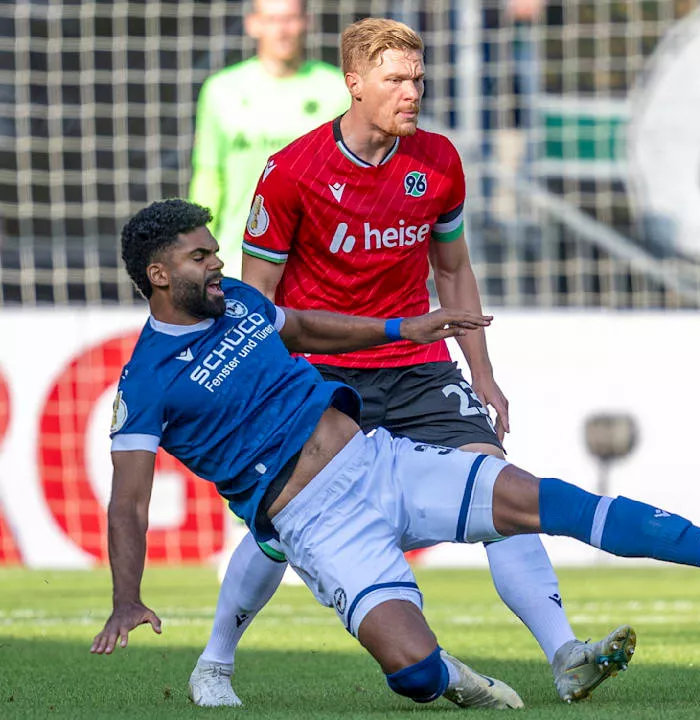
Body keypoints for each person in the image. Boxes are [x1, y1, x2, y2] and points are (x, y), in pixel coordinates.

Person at [91, 198, 700, 711]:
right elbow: (128, 500)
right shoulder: (146, 381)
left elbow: (303, 326)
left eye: (215, 251)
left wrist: (406, 325)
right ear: (159, 275)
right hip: (315, 525)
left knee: (544, 499)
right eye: (201, 256)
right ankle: (457, 680)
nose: (218, 264)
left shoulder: (242, 302)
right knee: (414, 674)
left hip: (380, 463)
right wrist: (126, 598)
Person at [190, 17, 617, 708]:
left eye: (417, 77)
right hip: (323, 371)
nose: (412, 91)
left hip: (419, 363)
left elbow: (453, 270)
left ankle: (565, 652)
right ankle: (214, 663)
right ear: (353, 83)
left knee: (501, 489)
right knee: (277, 531)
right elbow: (259, 302)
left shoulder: (438, 161)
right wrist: (262, 391)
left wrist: (482, 371)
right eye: (395, 78)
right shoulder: (291, 173)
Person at [188, 0, 347, 280]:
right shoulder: (221, 91)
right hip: (236, 263)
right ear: (253, 24)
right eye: (272, 19)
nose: (282, 30)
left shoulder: (337, 90)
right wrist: (194, 245)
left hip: (317, 266)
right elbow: (209, 178)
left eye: (290, 19)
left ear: (306, 22)